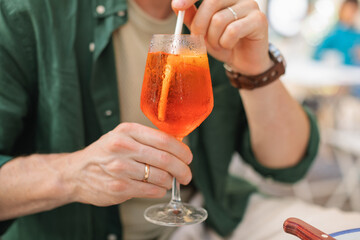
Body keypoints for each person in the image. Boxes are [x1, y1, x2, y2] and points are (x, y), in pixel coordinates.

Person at [0, 0, 359, 240]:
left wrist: (254, 67)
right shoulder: (31, 12)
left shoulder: (219, 14)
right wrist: (72, 172)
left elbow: (289, 165)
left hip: (212, 216)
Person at [314, 0, 360, 66]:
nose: (350, 14)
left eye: (353, 11)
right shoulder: (333, 33)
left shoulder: (357, 36)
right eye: (348, 10)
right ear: (341, 11)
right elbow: (317, 54)